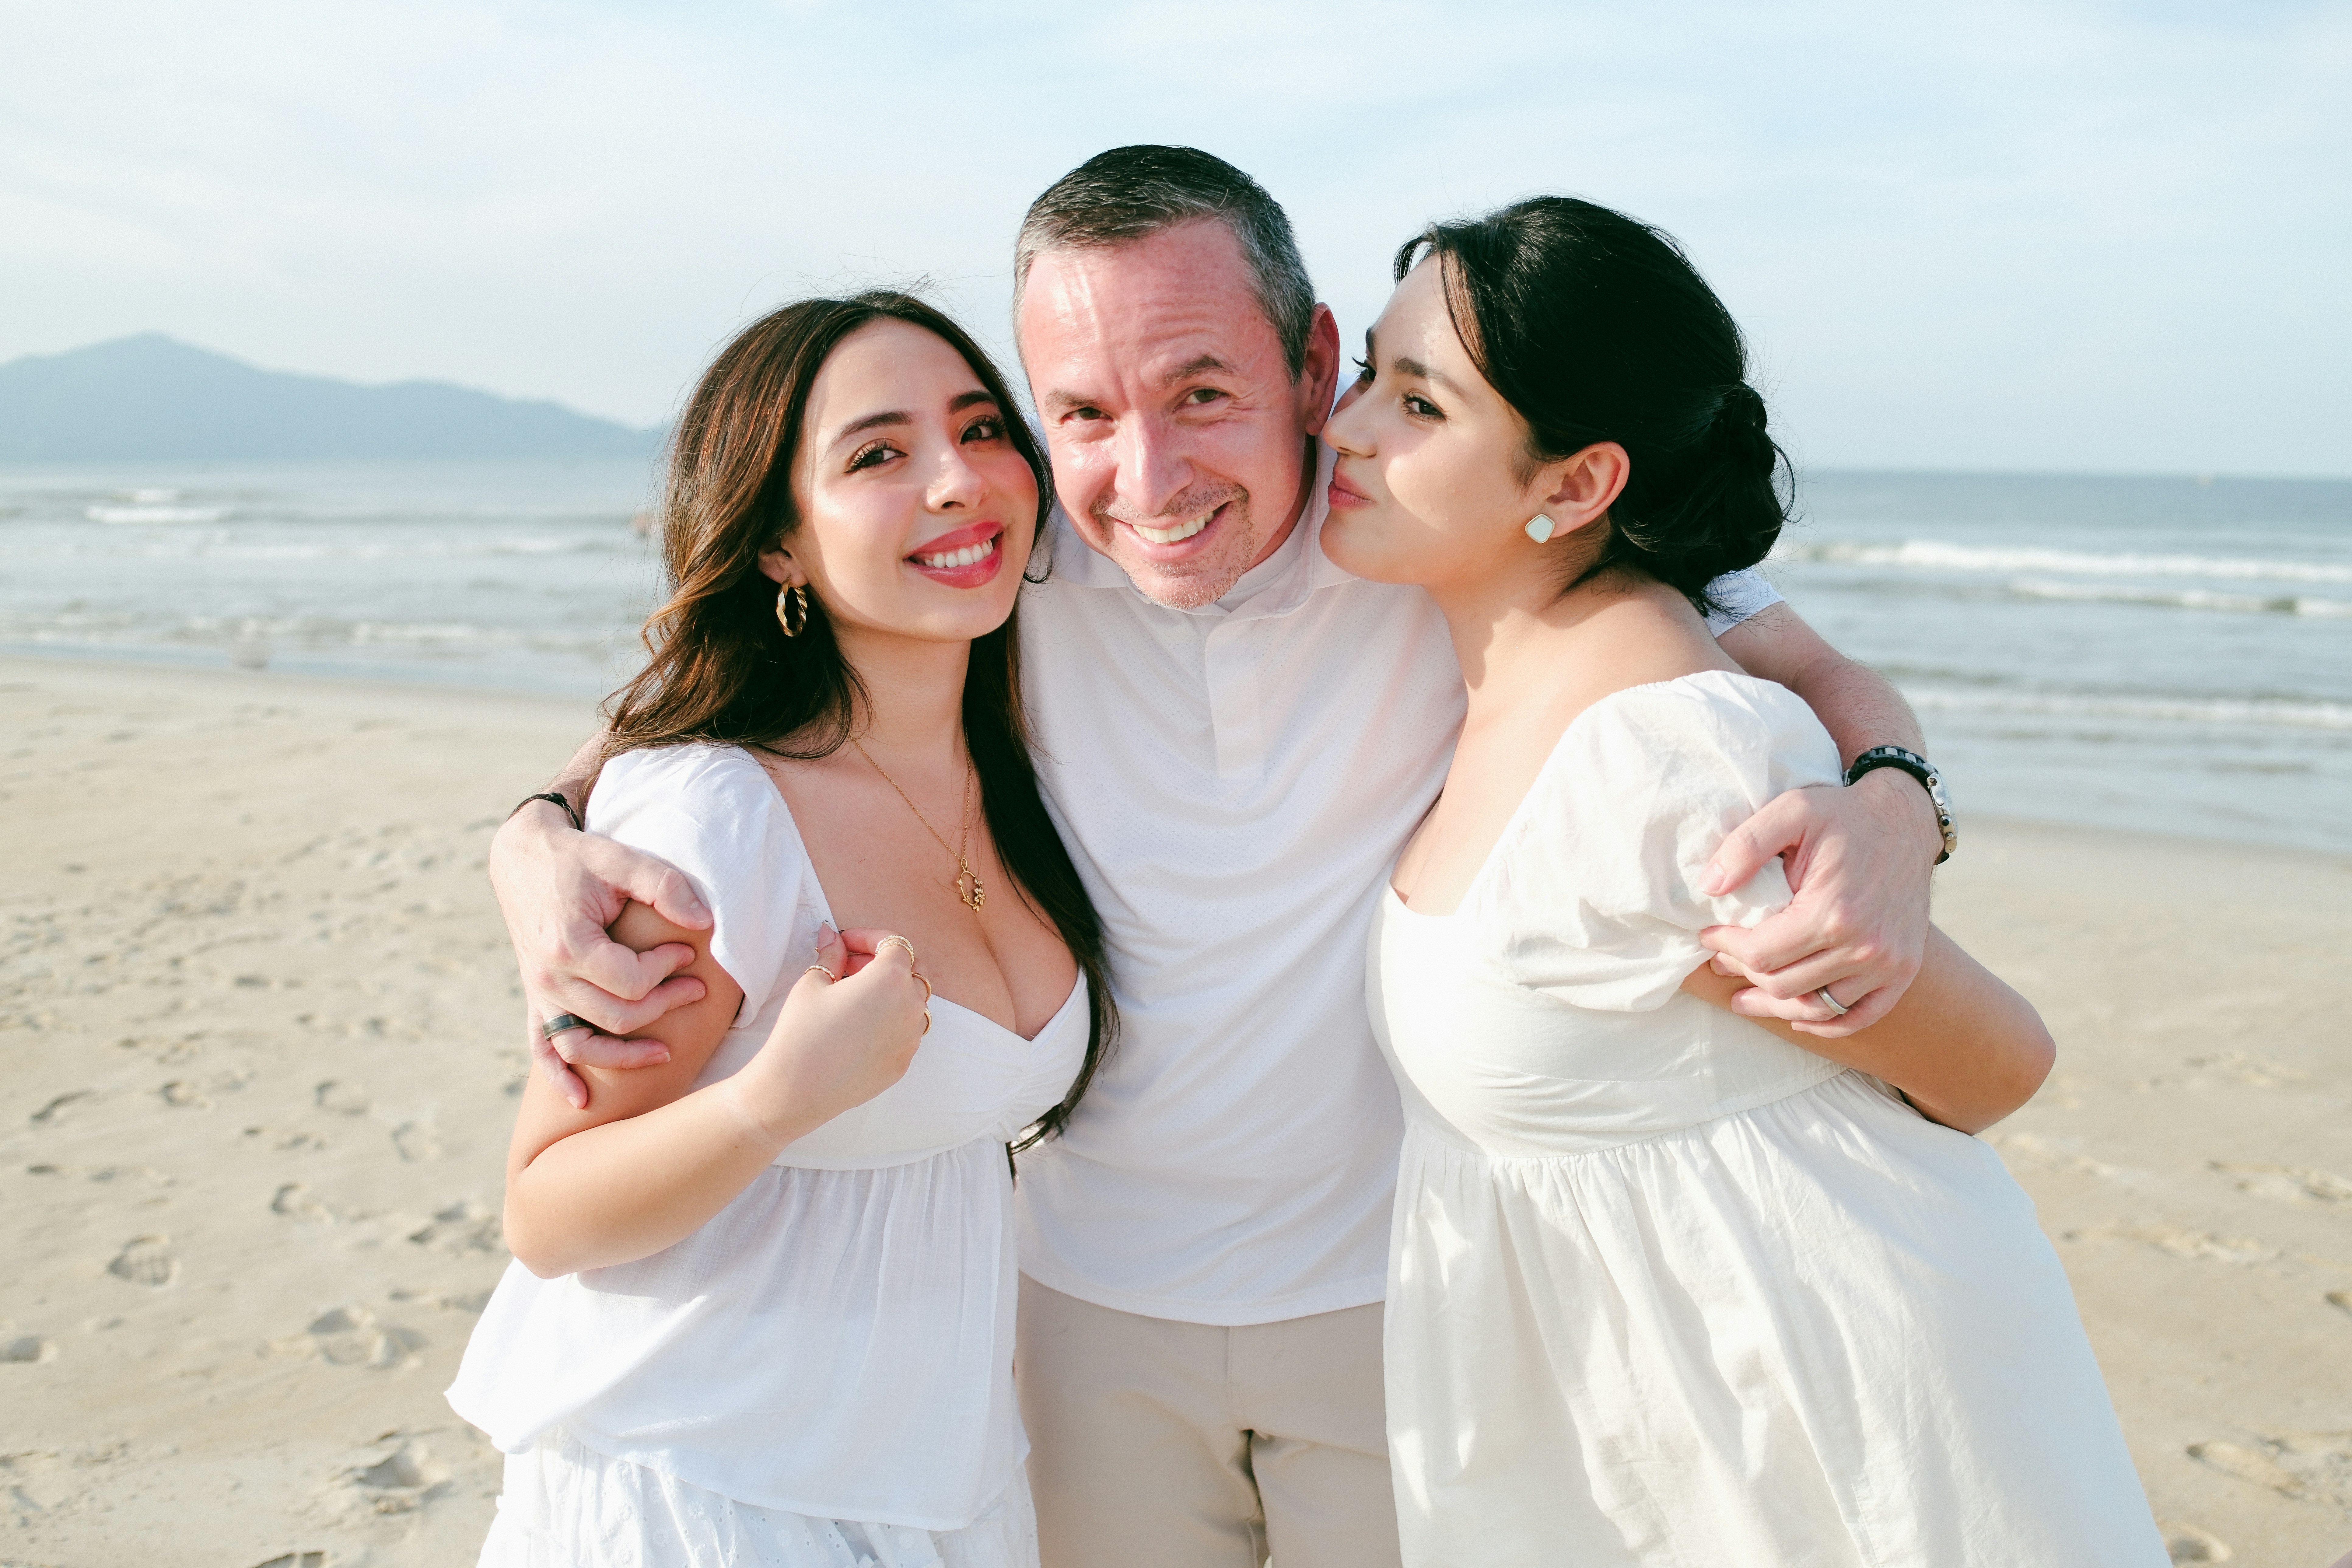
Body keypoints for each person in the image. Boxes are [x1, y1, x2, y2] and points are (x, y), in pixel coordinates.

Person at [489, 149, 1972, 1568]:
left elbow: (1805, 669)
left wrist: (1897, 804)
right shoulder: (1022, 559)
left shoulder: (1428, 533)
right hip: (1077, 1306)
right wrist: (537, 838)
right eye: (1079, 412)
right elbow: (706, 728)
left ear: (1314, 365)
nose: (1148, 474)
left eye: (1203, 393)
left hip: (1398, 1290)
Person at [1326, 195, 2166, 1565]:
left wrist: (1891, 822)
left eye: (1419, 406)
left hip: (1813, 1435)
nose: (1348, 427)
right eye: (1371, 371)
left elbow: (1998, 1064)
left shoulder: (1670, 761)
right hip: (1631, 1420)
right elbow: (1829, 667)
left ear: (1575, 485)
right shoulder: (1533, 641)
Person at [447, 291, 1113, 1566]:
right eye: (877, 455)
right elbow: (547, 1212)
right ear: (780, 548)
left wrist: (531, 812)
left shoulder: (1026, 745)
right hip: (710, 1487)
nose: (955, 481)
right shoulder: (712, 823)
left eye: (981, 429)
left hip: (944, 1481)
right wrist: (776, 1102)